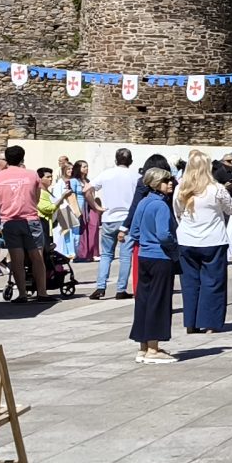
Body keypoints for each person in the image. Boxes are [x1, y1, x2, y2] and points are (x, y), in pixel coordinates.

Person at [176, 150, 232, 334]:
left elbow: (177, 212)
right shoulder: (216, 189)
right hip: (213, 240)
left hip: (187, 239)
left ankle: (191, 322)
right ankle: (210, 322)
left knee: (190, 283)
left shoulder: (181, 188)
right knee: (213, 282)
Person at [127, 163, 181, 364]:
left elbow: (134, 231)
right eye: (166, 181)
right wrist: (174, 246)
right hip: (161, 257)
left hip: (144, 256)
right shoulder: (160, 205)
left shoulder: (143, 202)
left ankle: (143, 346)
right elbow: (164, 234)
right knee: (159, 302)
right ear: (157, 183)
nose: (170, 183)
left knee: (144, 301)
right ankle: (153, 349)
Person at [0, 144, 49, 301]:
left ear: (6, 159)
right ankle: (42, 292)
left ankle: (22, 293)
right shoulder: (32, 175)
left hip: (9, 221)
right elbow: (36, 196)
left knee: (16, 259)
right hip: (30, 219)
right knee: (37, 257)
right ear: (22, 158)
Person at [90, 147, 139, 297]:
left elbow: (87, 188)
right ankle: (121, 289)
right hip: (127, 219)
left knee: (106, 254)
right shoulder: (135, 176)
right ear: (130, 161)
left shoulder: (106, 174)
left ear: (116, 160)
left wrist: (96, 206)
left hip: (108, 218)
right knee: (125, 256)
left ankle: (100, 286)